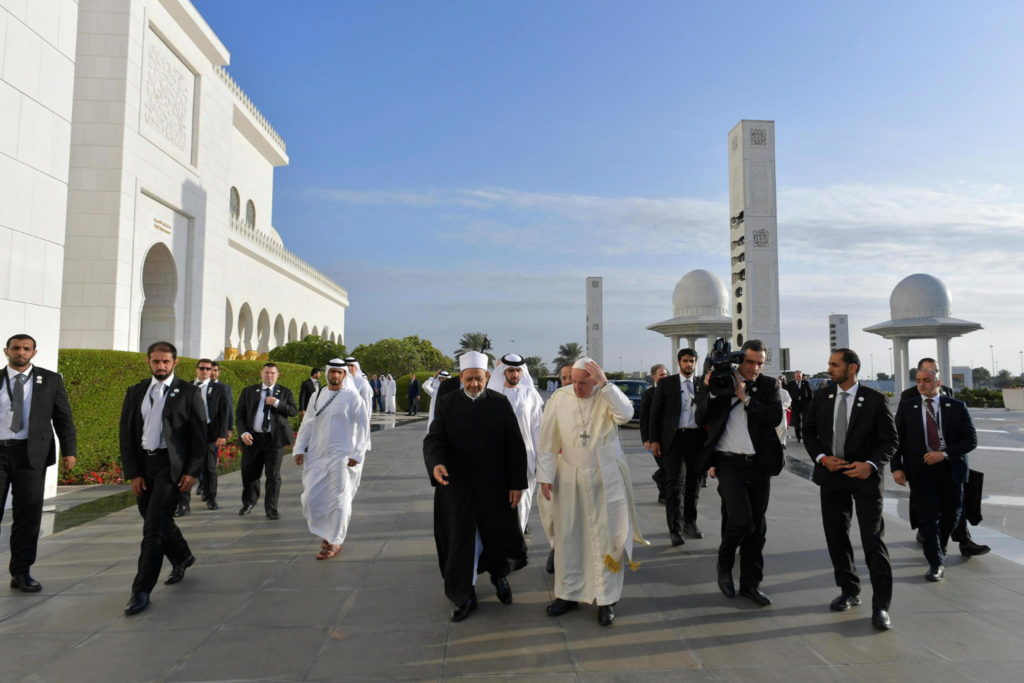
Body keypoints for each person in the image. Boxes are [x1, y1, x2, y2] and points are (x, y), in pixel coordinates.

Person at [538, 358, 647, 627]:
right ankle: (568, 594)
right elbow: (548, 440)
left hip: (604, 477)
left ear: (596, 379)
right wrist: (545, 477)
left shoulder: (607, 395)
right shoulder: (560, 398)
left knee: (606, 538)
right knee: (569, 537)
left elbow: (626, 415)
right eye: (573, 381)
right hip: (569, 476)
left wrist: (606, 385)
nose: (577, 388)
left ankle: (606, 598)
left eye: (583, 382)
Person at [424, 351, 528, 622]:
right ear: (462, 378)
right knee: (462, 541)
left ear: (486, 378)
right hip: (457, 489)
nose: (473, 384)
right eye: (468, 379)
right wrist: (436, 463)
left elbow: (515, 446)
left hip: (494, 486)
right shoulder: (447, 404)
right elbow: (434, 440)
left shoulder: (500, 403)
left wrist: (517, 484)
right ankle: (463, 594)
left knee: (496, 536)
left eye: (478, 379)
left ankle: (500, 578)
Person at [804, 348, 897, 631]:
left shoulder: (874, 400)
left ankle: (881, 605)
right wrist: (821, 458)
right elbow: (808, 431)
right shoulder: (823, 396)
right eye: (829, 364)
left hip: (864, 478)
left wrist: (870, 464)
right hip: (832, 477)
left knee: (872, 540)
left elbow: (890, 441)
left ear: (852, 368)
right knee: (836, 535)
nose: (829, 369)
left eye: (834, 364)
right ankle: (849, 589)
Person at [694, 339, 783, 608]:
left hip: (759, 464)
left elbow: (775, 416)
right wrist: (711, 390)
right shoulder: (718, 381)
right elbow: (701, 419)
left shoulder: (768, 386)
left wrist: (747, 398)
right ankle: (724, 562)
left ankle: (750, 585)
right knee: (742, 521)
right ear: (738, 360)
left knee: (758, 527)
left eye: (760, 363)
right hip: (728, 463)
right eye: (750, 362)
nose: (755, 368)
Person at [118, 341, 205, 615]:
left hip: (171, 466)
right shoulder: (136, 392)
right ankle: (182, 556)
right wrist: (133, 472)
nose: (161, 366)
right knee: (155, 518)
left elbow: (199, 437)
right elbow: (126, 435)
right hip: (145, 463)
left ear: (175, 363)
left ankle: (141, 590)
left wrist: (192, 470)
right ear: (149, 362)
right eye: (156, 361)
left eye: (166, 362)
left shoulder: (188, 393)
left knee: (153, 529)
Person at [1, 334, 77, 593]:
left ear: (34, 352)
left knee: (27, 516)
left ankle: (21, 572)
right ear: (6, 351)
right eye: (15, 348)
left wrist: (70, 451)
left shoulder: (51, 380)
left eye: (25, 348)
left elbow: (64, 418)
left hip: (31, 456)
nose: (20, 352)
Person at [892, 367, 977, 581]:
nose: (921, 384)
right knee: (927, 517)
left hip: (951, 468)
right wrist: (896, 467)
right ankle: (936, 561)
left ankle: (941, 545)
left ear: (938, 383)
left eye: (927, 380)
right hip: (920, 470)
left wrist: (945, 454)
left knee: (953, 513)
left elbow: (970, 440)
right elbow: (896, 441)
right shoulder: (907, 407)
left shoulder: (957, 407)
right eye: (918, 380)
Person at [901, 357, 988, 556]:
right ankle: (931, 540)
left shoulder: (948, 394)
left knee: (955, 504)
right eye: (926, 372)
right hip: (923, 463)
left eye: (935, 372)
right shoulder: (909, 397)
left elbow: (962, 431)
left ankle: (961, 540)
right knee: (926, 504)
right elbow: (905, 432)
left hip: (949, 460)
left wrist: (949, 453)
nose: (930, 376)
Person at [293, 359, 371, 560]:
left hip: (342, 456)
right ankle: (326, 533)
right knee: (311, 497)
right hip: (318, 454)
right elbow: (308, 423)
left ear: (344, 375)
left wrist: (357, 453)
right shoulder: (317, 395)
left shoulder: (353, 397)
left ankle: (334, 541)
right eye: (332, 372)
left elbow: (363, 427)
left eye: (339, 372)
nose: (335, 376)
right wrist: (299, 448)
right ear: (327, 373)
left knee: (339, 498)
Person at [651, 349, 707, 544]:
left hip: (697, 440)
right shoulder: (667, 383)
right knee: (675, 485)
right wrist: (654, 439)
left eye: (692, 361)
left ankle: (690, 523)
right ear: (678, 362)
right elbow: (655, 413)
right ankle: (675, 529)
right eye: (685, 361)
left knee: (694, 483)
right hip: (674, 440)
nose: (689, 365)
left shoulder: (702, 384)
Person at [487, 353, 544, 534]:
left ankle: (517, 537)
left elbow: (537, 428)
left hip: (526, 456)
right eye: (511, 370)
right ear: (503, 371)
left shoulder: (530, 394)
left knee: (523, 500)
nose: (515, 374)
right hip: (497, 457)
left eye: (518, 370)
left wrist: (540, 459)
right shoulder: (491, 395)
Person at [236, 363, 298, 520]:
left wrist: (277, 403)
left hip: (274, 440)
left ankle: (271, 509)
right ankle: (249, 502)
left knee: (273, 475)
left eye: (272, 373)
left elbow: (292, 411)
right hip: (253, 439)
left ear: (278, 375)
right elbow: (240, 415)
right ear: (261, 374)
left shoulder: (284, 391)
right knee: (250, 473)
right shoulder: (248, 391)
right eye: (266, 373)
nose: (269, 376)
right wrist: (243, 432)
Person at [176, 359, 230, 515]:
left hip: (209, 433)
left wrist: (222, 433)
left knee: (209, 468)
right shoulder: (185, 387)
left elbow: (224, 412)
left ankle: (211, 498)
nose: (205, 371)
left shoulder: (219, 388)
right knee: (185, 468)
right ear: (196, 370)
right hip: (188, 432)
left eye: (208, 369)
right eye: (202, 368)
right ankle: (184, 503)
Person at [639, 364, 669, 505]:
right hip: (656, 438)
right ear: (654, 377)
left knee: (670, 468)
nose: (665, 377)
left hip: (670, 437)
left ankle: (660, 479)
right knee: (665, 468)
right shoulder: (648, 394)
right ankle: (663, 493)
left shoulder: (673, 391)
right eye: (661, 375)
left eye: (666, 374)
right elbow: (644, 418)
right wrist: (646, 439)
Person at [786, 371, 813, 442]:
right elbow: (787, 394)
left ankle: (805, 436)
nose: (798, 377)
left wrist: (810, 403)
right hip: (795, 405)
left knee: (805, 421)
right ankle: (799, 437)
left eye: (800, 376)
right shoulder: (791, 383)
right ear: (794, 376)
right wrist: (789, 404)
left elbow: (810, 394)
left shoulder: (806, 383)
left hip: (804, 404)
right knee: (796, 421)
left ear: (802, 376)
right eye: (797, 376)